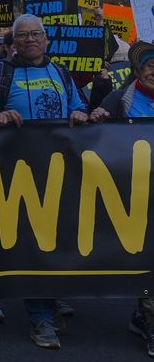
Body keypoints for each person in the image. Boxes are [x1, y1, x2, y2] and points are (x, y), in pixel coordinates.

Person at [0, 13, 107, 350]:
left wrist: (80, 113)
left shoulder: (61, 73)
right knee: (33, 243)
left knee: (57, 238)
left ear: (46, 39)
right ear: (14, 42)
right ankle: (41, 319)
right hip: (18, 175)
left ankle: (50, 300)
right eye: (22, 35)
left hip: (60, 171)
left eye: (36, 34)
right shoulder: (0, 74)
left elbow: (79, 108)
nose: (30, 40)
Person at [99, 41, 154, 357]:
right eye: (149, 66)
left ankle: (142, 316)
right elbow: (95, 128)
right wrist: (93, 115)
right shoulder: (120, 98)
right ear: (138, 70)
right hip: (133, 199)